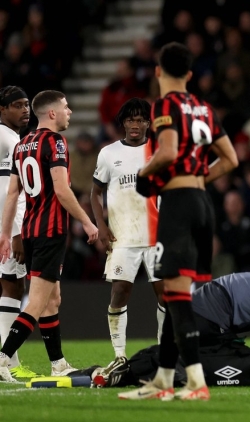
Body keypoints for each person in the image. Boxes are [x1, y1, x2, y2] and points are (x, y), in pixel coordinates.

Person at [120, 42, 238, 401]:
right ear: (189, 74)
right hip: (202, 202)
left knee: (177, 296)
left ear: (158, 72)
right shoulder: (203, 107)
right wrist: (200, 178)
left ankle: (197, 382)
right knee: (177, 293)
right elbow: (231, 159)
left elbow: (168, 151)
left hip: (179, 204)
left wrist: (146, 171)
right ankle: (164, 380)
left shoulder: (165, 105)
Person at [0, 90, 99, 382]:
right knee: (38, 301)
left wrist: (6, 234)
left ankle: (58, 363)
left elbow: (12, 193)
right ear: (52, 113)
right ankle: (3, 357)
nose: (69, 112)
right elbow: (61, 189)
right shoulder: (55, 142)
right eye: (66, 108)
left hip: (29, 231)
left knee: (53, 298)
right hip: (50, 230)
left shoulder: (22, 144)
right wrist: (88, 222)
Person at [90, 98, 165, 378]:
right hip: (123, 237)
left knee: (166, 295)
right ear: (123, 123)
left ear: (149, 123)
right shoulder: (108, 154)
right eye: (130, 120)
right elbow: (95, 193)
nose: (135, 125)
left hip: (157, 236)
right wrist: (101, 224)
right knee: (120, 292)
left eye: (141, 120)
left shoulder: (159, 151)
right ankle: (119, 355)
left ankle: (163, 352)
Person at [0, 86, 40, 379]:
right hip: (10, 225)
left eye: (27, 105)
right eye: (17, 105)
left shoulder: (12, 138)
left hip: (10, 223)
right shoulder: (8, 139)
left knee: (10, 286)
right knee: (12, 285)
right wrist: (14, 232)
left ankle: (8, 358)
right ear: (2, 109)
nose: (25, 110)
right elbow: (6, 191)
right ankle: (8, 360)